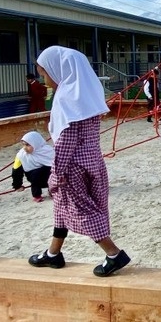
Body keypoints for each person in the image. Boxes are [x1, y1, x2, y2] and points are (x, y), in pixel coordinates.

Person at [28, 45, 130, 277]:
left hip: (72, 167)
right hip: (93, 161)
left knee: (82, 210)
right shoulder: (86, 93)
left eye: (45, 73)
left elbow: (66, 142)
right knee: (62, 209)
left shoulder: (66, 98)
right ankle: (54, 254)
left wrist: (56, 173)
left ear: (58, 68)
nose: (45, 80)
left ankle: (114, 254)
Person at [12, 130, 54, 202]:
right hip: (34, 179)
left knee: (54, 170)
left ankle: (52, 190)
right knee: (36, 173)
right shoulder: (21, 155)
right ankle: (37, 195)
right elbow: (16, 171)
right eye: (23, 145)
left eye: (28, 145)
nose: (24, 148)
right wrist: (17, 186)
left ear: (36, 143)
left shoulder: (48, 151)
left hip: (50, 177)